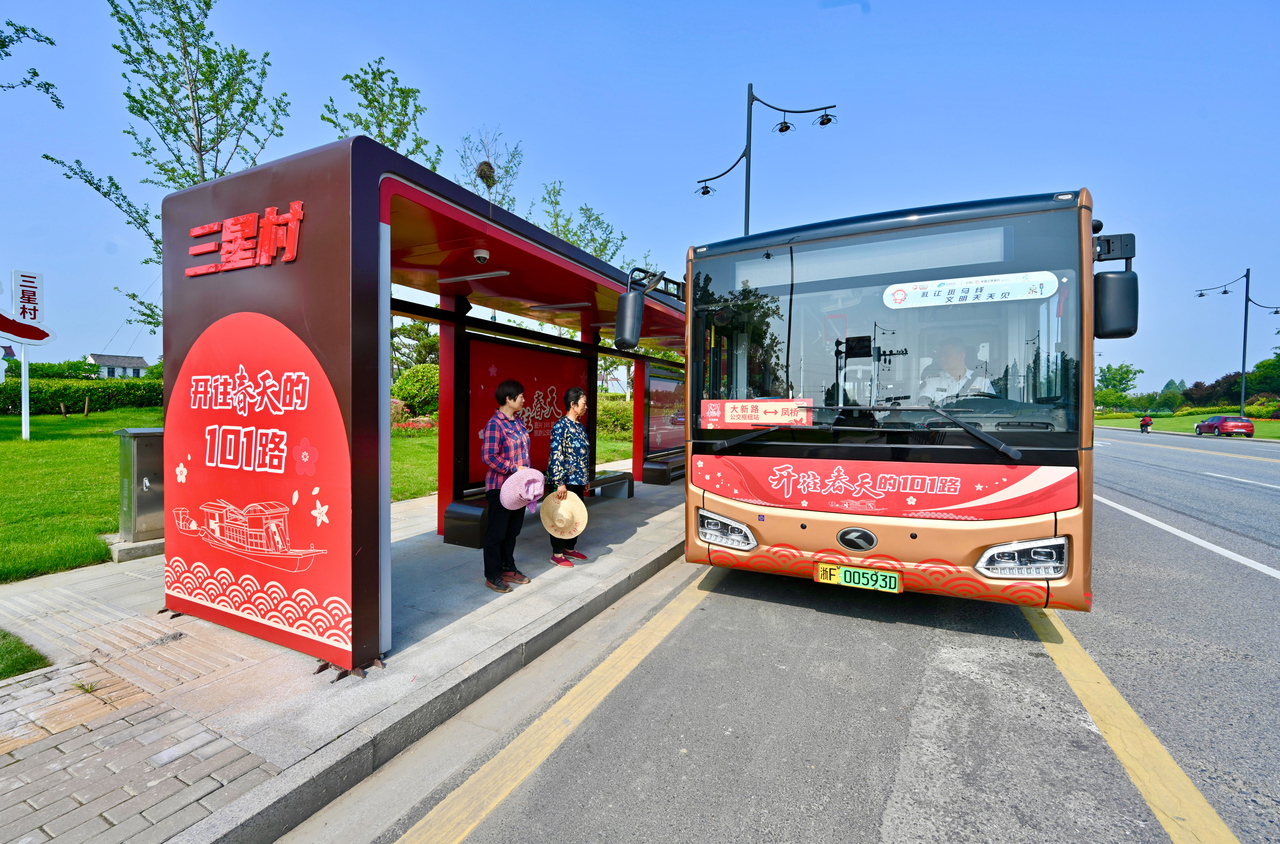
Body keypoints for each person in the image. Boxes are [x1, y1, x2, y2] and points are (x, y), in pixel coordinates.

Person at [481, 380, 532, 593]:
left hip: (518, 488)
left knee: (512, 531)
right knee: (497, 533)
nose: (524, 400)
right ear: (508, 399)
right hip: (500, 487)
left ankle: (507, 568)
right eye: (520, 396)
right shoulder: (495, 424)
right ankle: (492, 575)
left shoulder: (518, 422)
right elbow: (489, 456)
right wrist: (514, 468)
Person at [546, 387, 591, 566]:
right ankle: (557, 554)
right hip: (564, 482)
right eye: (583, 403)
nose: (586, 407)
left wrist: (585, 478)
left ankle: (570, 549)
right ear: (573, 404)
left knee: (575, 515)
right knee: (561, 515)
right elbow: (556, 455)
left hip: (578, 480)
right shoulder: (561, 427)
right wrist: (559, 482)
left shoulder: (579, 426)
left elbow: (584, 454)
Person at [917, 337, 995, 406]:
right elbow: (924, 407)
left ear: (961, 356)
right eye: (940, 355)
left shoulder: (982, 382)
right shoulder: (932, 381)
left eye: (947, 355)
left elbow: (992, 409)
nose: (941, 359)